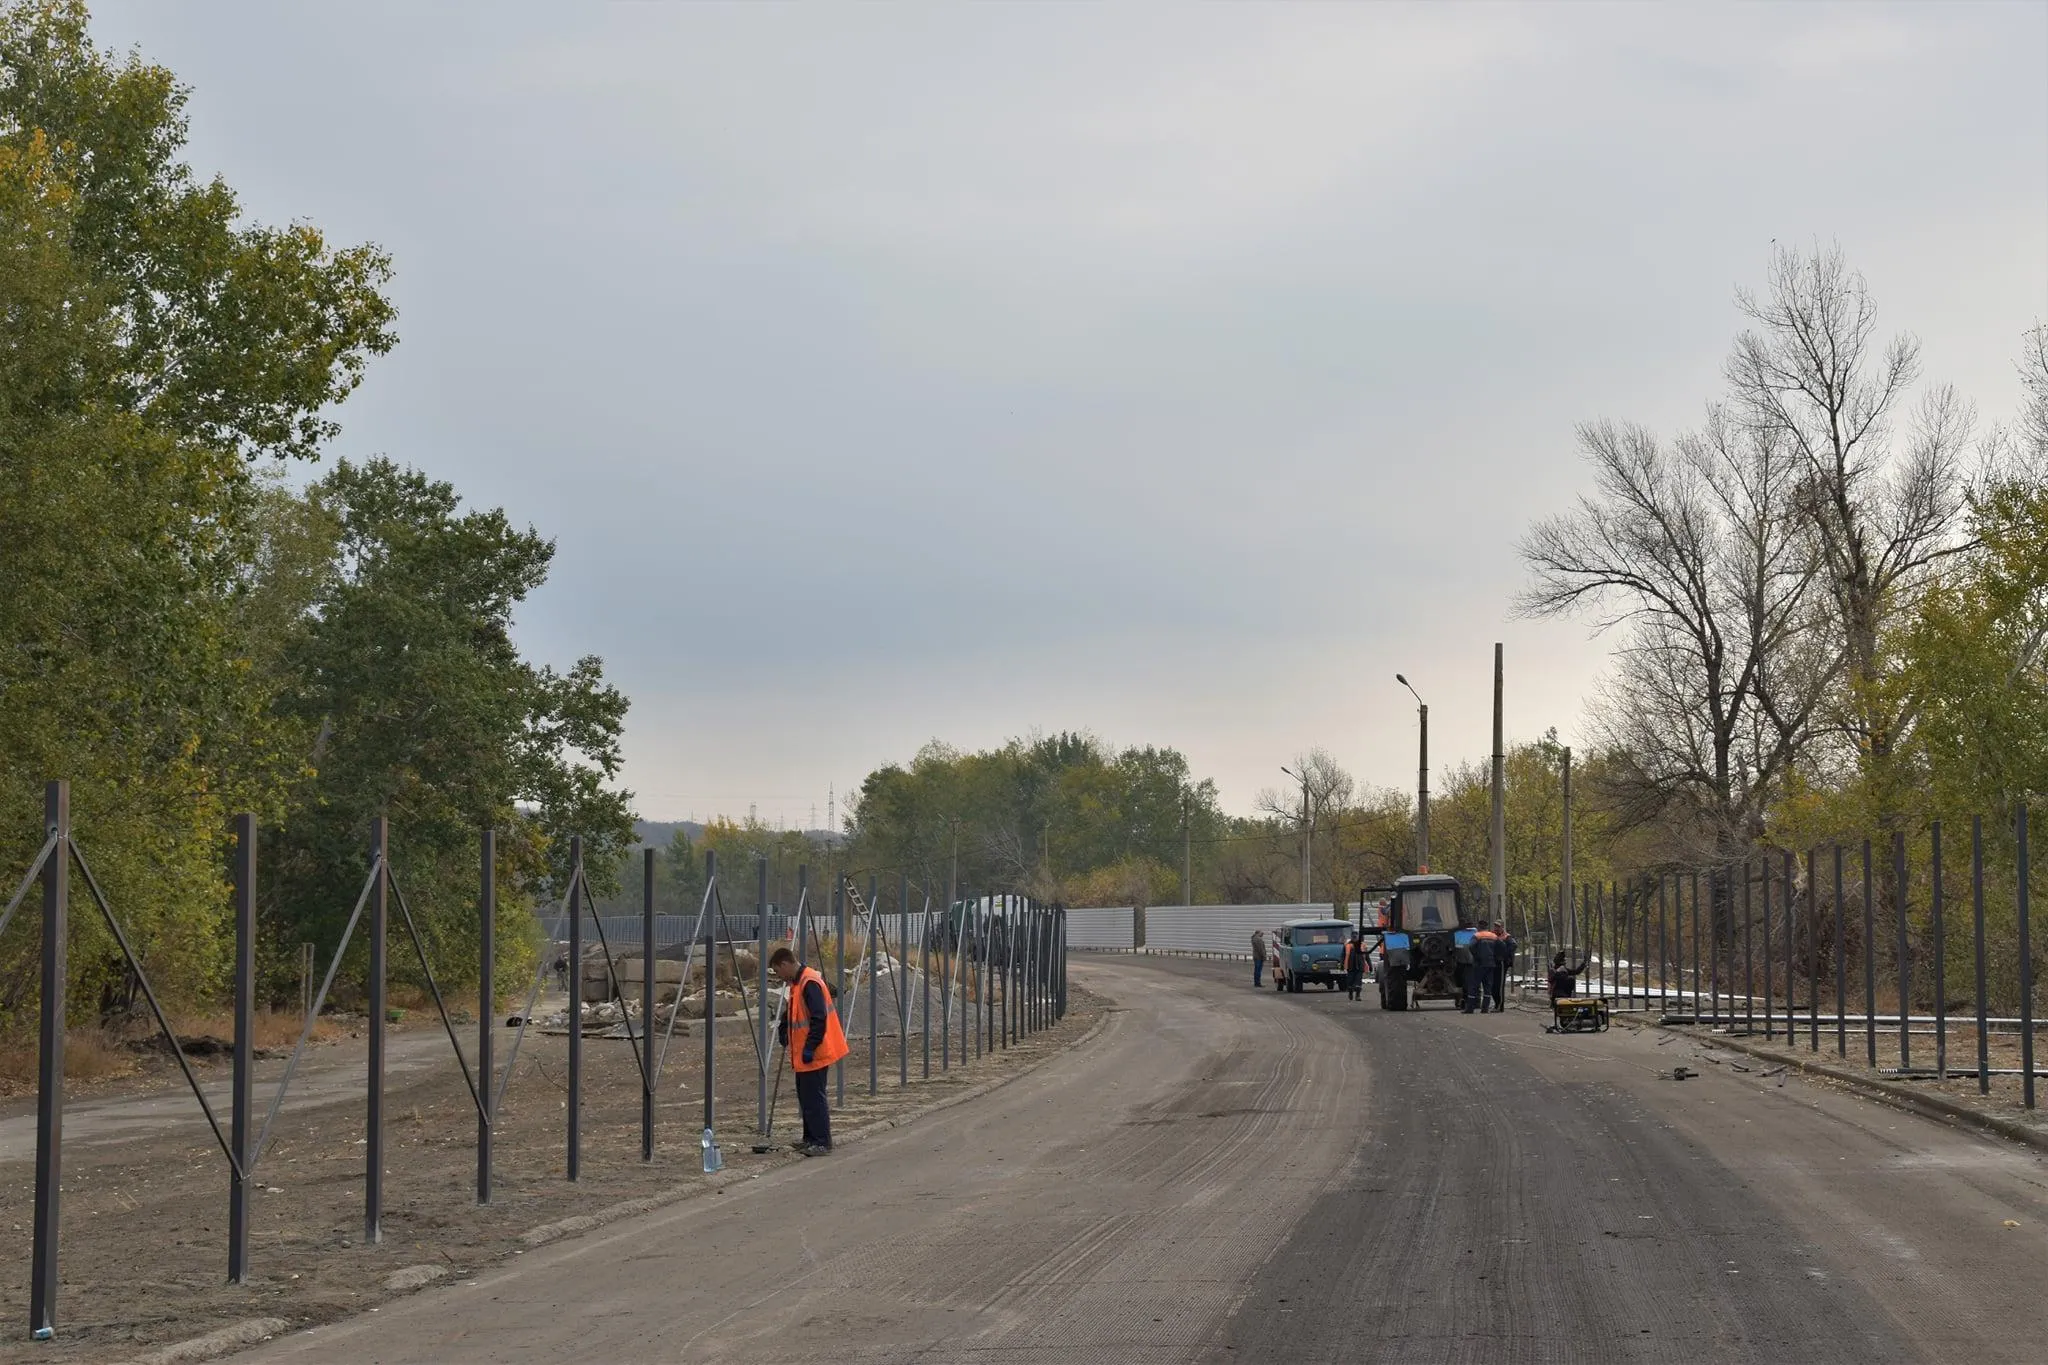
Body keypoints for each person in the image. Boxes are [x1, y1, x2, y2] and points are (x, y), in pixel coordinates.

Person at [771, 947, 850, 1156]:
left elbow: (818, 1018)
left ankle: (821, 1141)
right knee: (806, 1097)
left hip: (814, 1052)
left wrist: (809, 1047)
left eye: (778, 971)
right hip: (803, 1053)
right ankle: (810, 1139)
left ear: (785, 964)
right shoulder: (797, 984)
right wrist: (783, 1028)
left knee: (814, 1098)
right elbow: (793, 1012)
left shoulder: (809, 982)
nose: (780, 977)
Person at [1470, 922, 1500, 1013]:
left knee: (1474, 986)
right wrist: (1496, 957)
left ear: (1479, 927)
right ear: (1487, 927)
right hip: (1491, 964)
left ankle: (1470, 1008)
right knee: (1488, 986)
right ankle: (1485, 1008)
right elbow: (1502, 946)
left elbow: (1471, 946)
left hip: (1479, 964)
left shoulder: (1477, 935)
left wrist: (1476, 956)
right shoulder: (1493, 936)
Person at [1493, 924, 1517, 1012]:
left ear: (1502, 927)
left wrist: (1504, 956)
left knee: (1499, 985)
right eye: (1495, 926)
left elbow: (1513, 946)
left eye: (1498, 927)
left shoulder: (1507, 937)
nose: (1496, 928)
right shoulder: (1492, 935)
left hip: (1502, 964)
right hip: (1493, 963)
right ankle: (1496, 1003)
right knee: (1493, 985)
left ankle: (1500, 1006)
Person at [1342, 929, 1365, 1001]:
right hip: (1350, 967)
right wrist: (1342, 965)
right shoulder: (1347, 945)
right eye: (1353, 935)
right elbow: (1343, 956)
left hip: (1360, 967)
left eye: (1356, 935)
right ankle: (1350, 993)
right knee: (1350, 983)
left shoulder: (1362, 945)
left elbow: (1366, 956)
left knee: (1358, 983)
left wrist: (1369, 965)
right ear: (1351, 936)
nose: (1354, 936)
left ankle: (1358, 996)